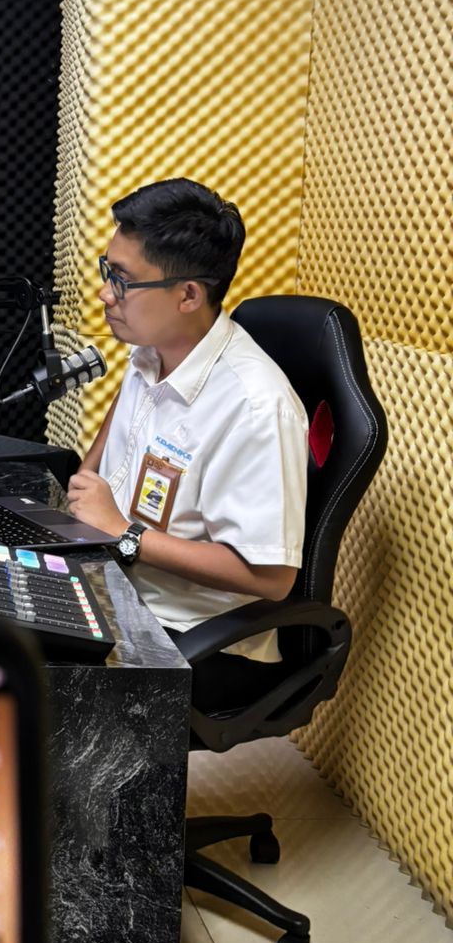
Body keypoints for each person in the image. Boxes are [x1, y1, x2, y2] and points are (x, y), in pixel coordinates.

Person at [66, 178, 308, 682]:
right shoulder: (153, 349)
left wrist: (123, 532)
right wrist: (83, 492)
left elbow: (274, 578)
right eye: (108, 271)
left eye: (123, 280)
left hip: (192, 640)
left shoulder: (258, 406)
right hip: (115, 584)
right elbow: (125, 419)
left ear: (188, 295)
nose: (105, 294)